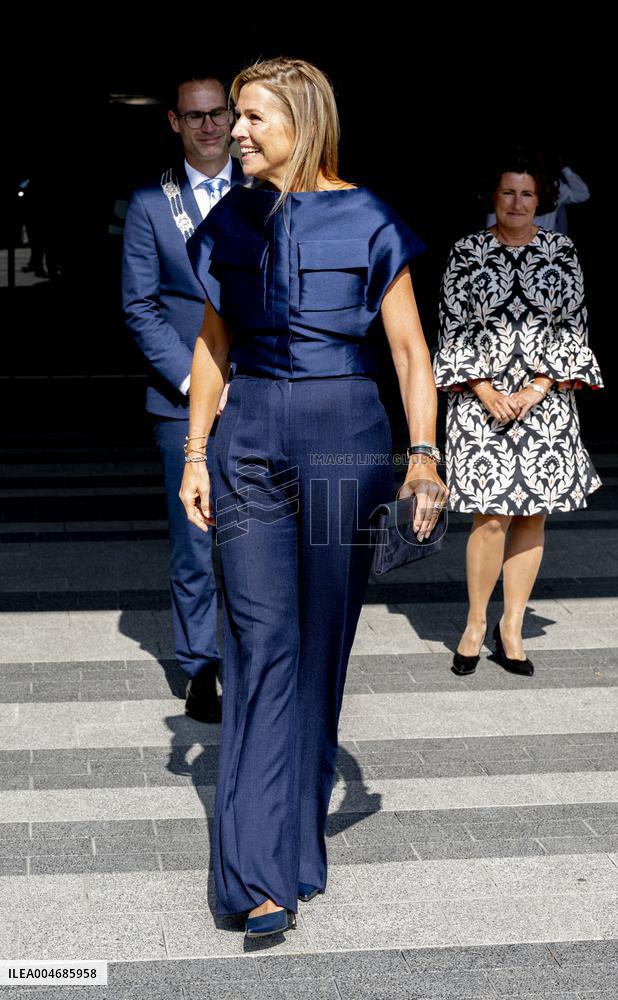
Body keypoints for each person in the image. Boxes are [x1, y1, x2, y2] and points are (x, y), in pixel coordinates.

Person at [180, 56, 447, 938]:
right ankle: (258, 876)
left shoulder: (368, 217)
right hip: (249, 441)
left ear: (302, 119)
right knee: (261, 645)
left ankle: (296, 845)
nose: (236, 133)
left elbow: (411, 353)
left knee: (321, 643)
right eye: (233, 118)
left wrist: (422, 457)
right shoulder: (232, 216)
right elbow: (213, 344)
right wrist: (195, 453)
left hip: (345, 446)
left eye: (253, 118)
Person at [433, 155, 602, 678]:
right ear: (493, 197)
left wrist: (538, 387)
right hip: (479, 403)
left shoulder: (562, 252)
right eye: (508, 193)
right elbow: (451, 324)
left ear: (541, 200)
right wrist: (483, 389)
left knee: (533, 515)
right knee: (489, 518)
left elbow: (571, 324)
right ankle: (475, 624)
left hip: (544, 403)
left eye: (526, 195)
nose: (517, 203)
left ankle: (512, 627)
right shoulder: (466, 251)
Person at [122, 70, 247, 723]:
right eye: (194, 116)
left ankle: (259, 658)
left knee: (261, 534)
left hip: (257, 394)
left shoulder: (267, 191)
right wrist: (200, 382)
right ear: (174, 121)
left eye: (217, 113)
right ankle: (202, 667)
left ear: (233, 116)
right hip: (180, 403)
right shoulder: (150, 203)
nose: (208, 126)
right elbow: (140, 308)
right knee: (194, 538)